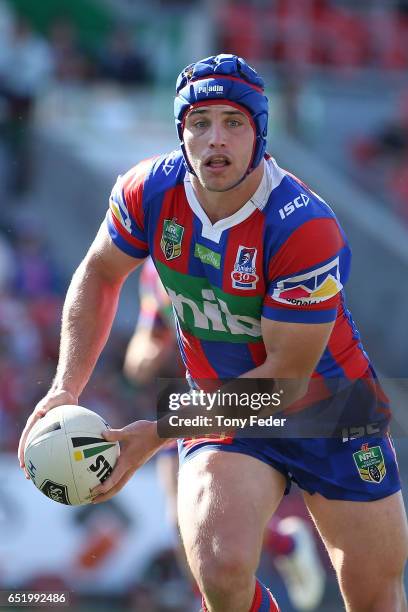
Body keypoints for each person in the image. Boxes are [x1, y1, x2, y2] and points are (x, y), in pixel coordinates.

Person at [18, 54, 407, 612]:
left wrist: (155, 432)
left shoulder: (302, 225)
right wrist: (64, 387)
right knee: (218, 568)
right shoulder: (148, 192)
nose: (215, 138)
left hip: (330, 408)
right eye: (199, 122)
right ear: (181, 133)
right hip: (224, 410)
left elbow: (285, 386)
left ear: (259, 133)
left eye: (233, 122)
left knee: (375, 601)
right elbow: (100, 273)